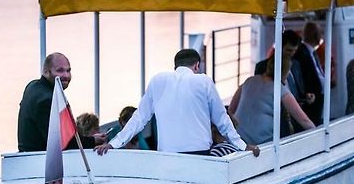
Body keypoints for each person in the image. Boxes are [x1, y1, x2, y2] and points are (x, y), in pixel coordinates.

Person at [95, 49, 260, 157]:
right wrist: (242, 145)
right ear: (197, 66)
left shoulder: (157, 80)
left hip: (167, 156)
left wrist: (113, 144)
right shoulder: (204, 81)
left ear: (175, 66)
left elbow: (139, 118)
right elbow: (222, 119)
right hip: (199, 155)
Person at [18, 52, 106, 152]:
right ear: (46, 72)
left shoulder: (32, 86)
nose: (66, 75)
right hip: (38, 159)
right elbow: (63, 143)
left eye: (68, 71)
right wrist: (94, 140)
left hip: (27, 156)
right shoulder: (47, 99)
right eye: (60, 71)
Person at [229, 57, 315, 145]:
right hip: (262, 143)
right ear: (285, 72)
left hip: (238, 139)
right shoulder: (280, 89)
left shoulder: (249, 81)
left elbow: (231, 109)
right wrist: (318, 135)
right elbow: (304, 120)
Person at [255, 29, 314, 135]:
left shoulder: (295, 65)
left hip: (295, 118)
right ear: (279, 47)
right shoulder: (262, 67)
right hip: (274, 121)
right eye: (288, 50)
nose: (291, 54)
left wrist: (306, 96)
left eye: (294, 51)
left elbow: (298, 90)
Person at [294, 22, 325, 125]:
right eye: (321, 33)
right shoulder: (302, 53)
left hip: (316, 100)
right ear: (316, 35)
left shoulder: (310, 52)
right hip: (310, 101)